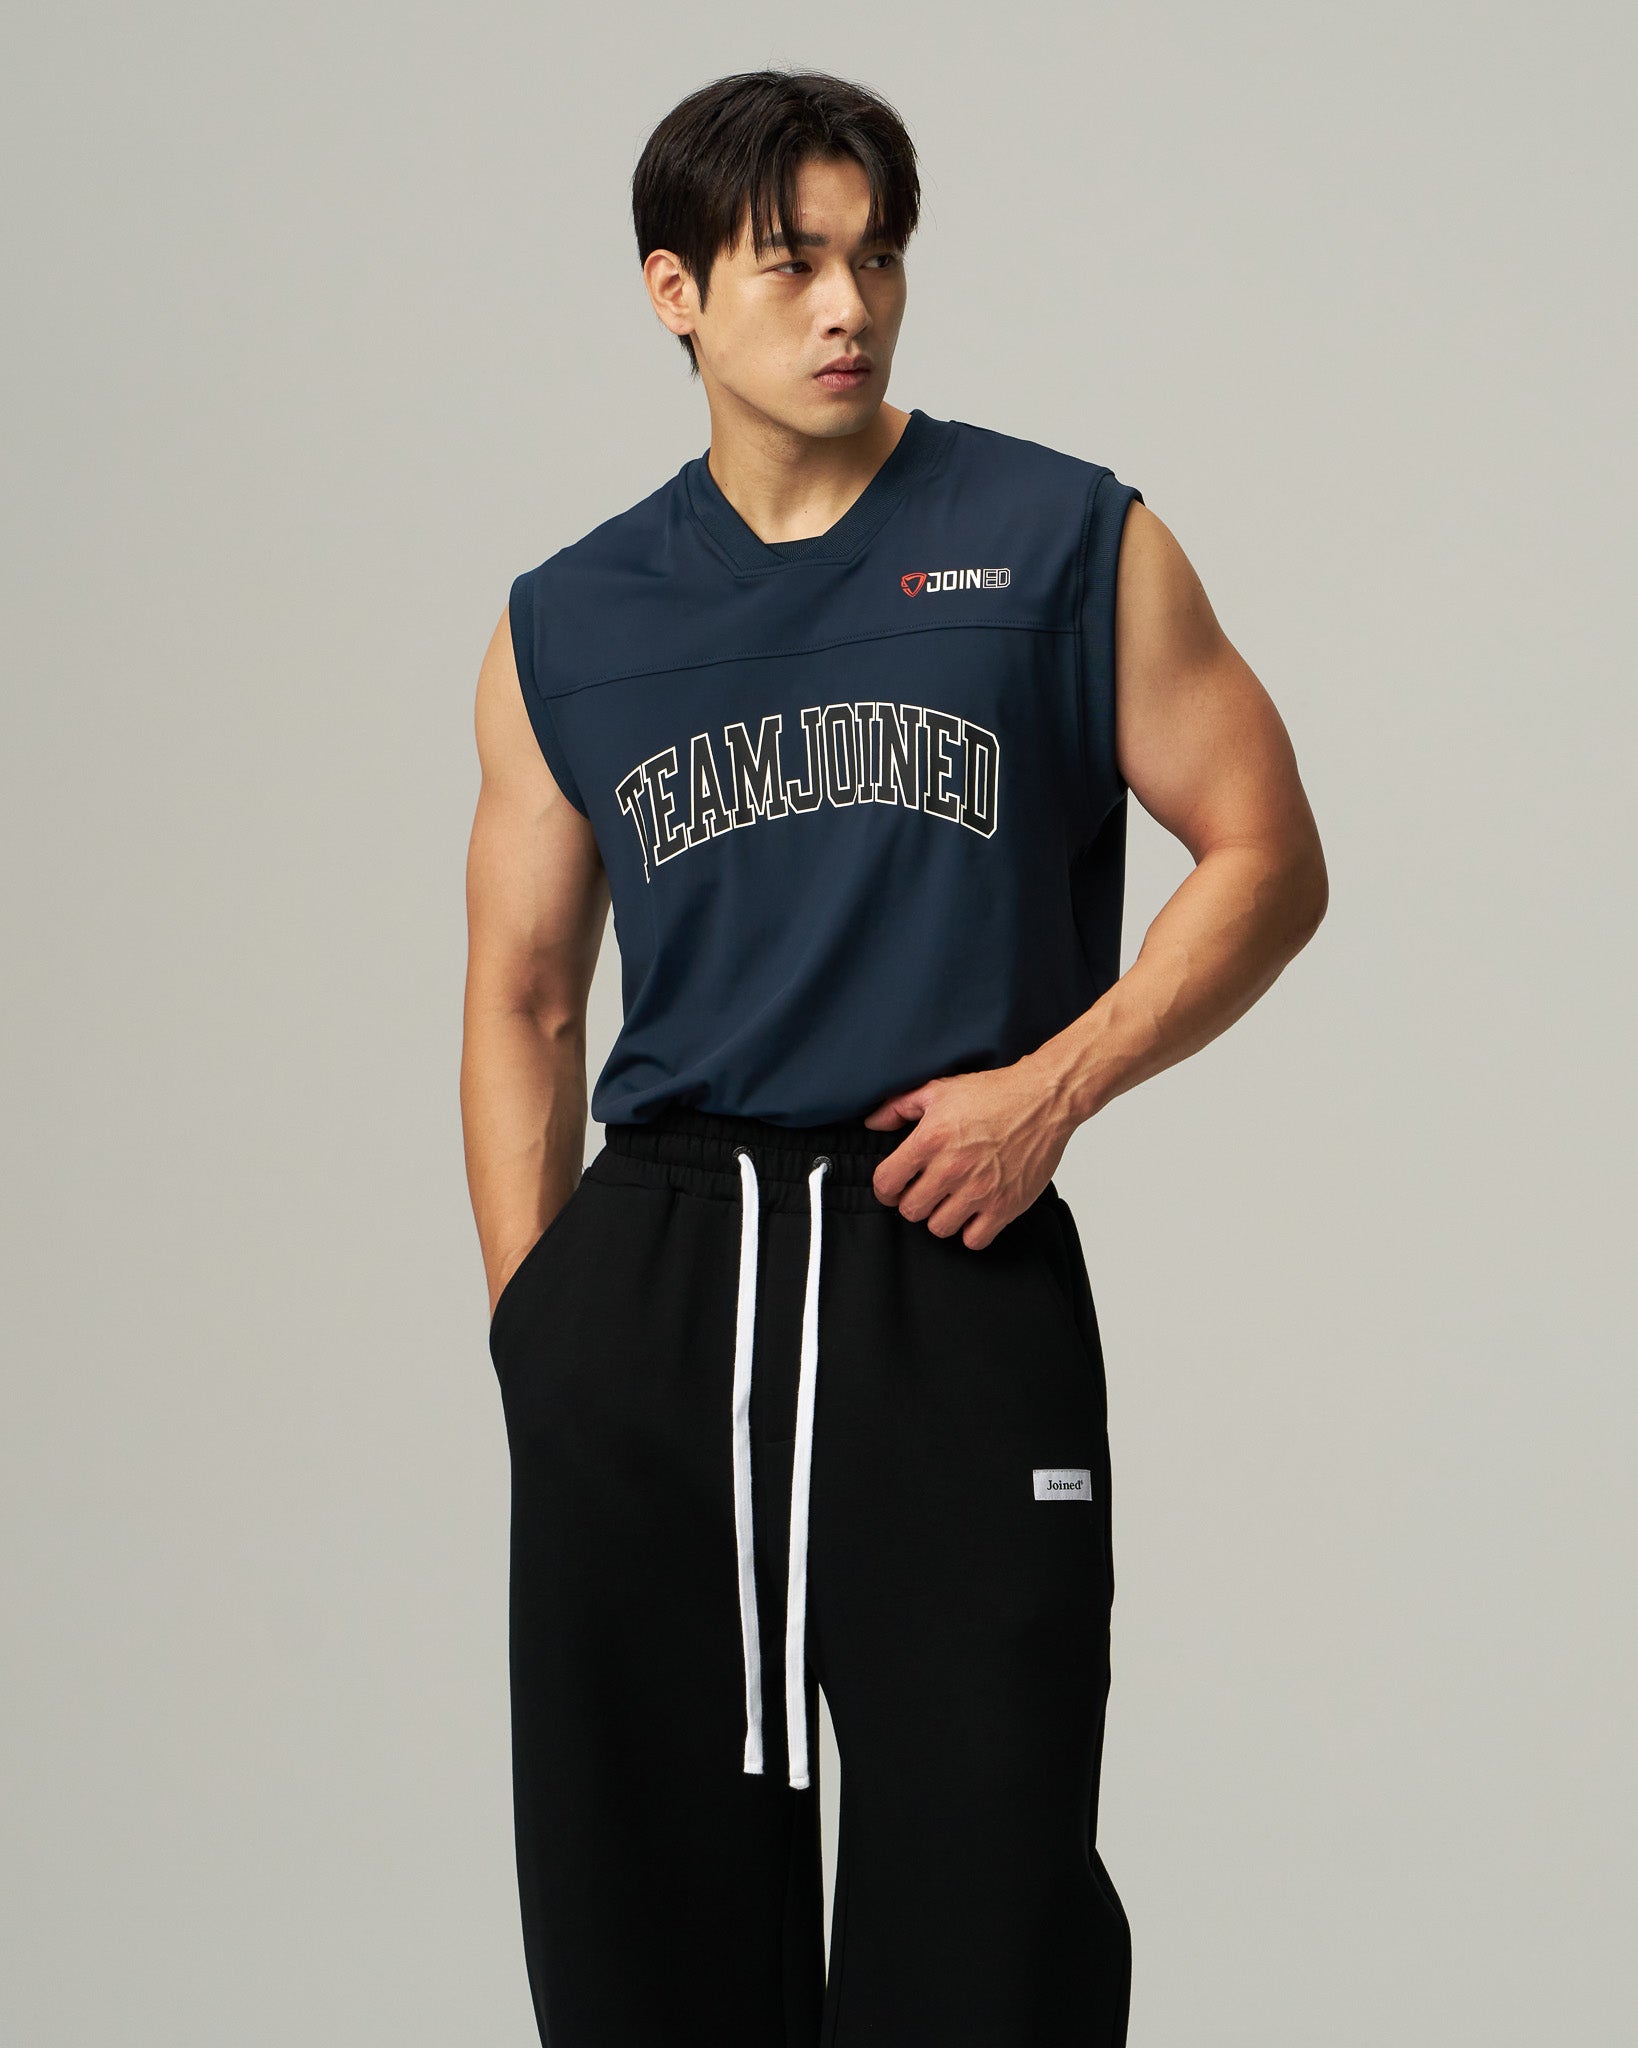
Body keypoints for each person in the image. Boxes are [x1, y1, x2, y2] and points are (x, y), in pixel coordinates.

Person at [459, 65, 1326, 2048]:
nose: (850, 305)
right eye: (792, 264)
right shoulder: (567, 622)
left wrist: (1058, 1086)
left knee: (985, 1914)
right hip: (658, 1285)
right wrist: (539, 1330)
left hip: (942, 1248)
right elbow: (522, 1000)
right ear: (677, 292)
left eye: (876, 257)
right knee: (638, 1920)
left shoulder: (1061, 540)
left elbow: (1269, 856)